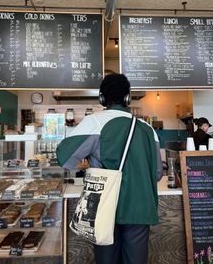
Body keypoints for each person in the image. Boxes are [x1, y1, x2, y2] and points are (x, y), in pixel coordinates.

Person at [57, 73, 163, 264]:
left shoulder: (94, 122)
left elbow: (64, 159)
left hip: (104, 207)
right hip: (140, 209)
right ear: (127, 98)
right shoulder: (148, 129)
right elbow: (157, 174)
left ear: (101, 98)